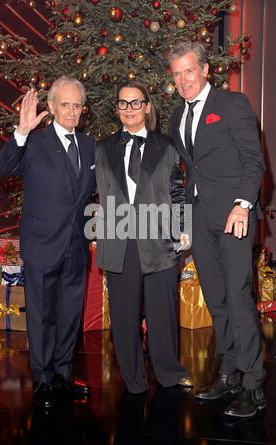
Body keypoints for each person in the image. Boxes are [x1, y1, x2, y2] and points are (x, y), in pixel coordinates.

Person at [169, 42, 266, 418]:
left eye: (189, 71)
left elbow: (253, 160)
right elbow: (190, 171)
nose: (183, 80)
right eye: (176, 74)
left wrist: (243, 205)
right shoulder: (178, 117)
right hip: (200, 219)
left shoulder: (232, 104)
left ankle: (254, 384)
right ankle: (231, 373)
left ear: (205, 70)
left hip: (233, 217)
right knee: (216, 298)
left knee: (238, 296)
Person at [0, 77, 95, 409]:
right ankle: (42, 379)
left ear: (83, 110)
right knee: (41, 315)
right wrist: (20, 133)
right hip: (42, 244)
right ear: (51, 107)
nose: (70, 112)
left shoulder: (90, 145)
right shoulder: (34, 142)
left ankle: (63, 374)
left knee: (69, 313)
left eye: (76, 105)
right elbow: (4, 167)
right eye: (64, 105)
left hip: (76, 245)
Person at [95, 81, 192, 394]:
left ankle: (169, 373)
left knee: (162, 313)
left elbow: (178, 191)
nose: (129, 109)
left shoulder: (166, 146)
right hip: (118, 242)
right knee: (124, 318)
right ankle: (133, 380)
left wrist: (184, 226)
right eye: (123, 103)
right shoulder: (103, 147)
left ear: (148, 107)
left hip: (159, 240)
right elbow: (100, 194)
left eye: (136, 103)